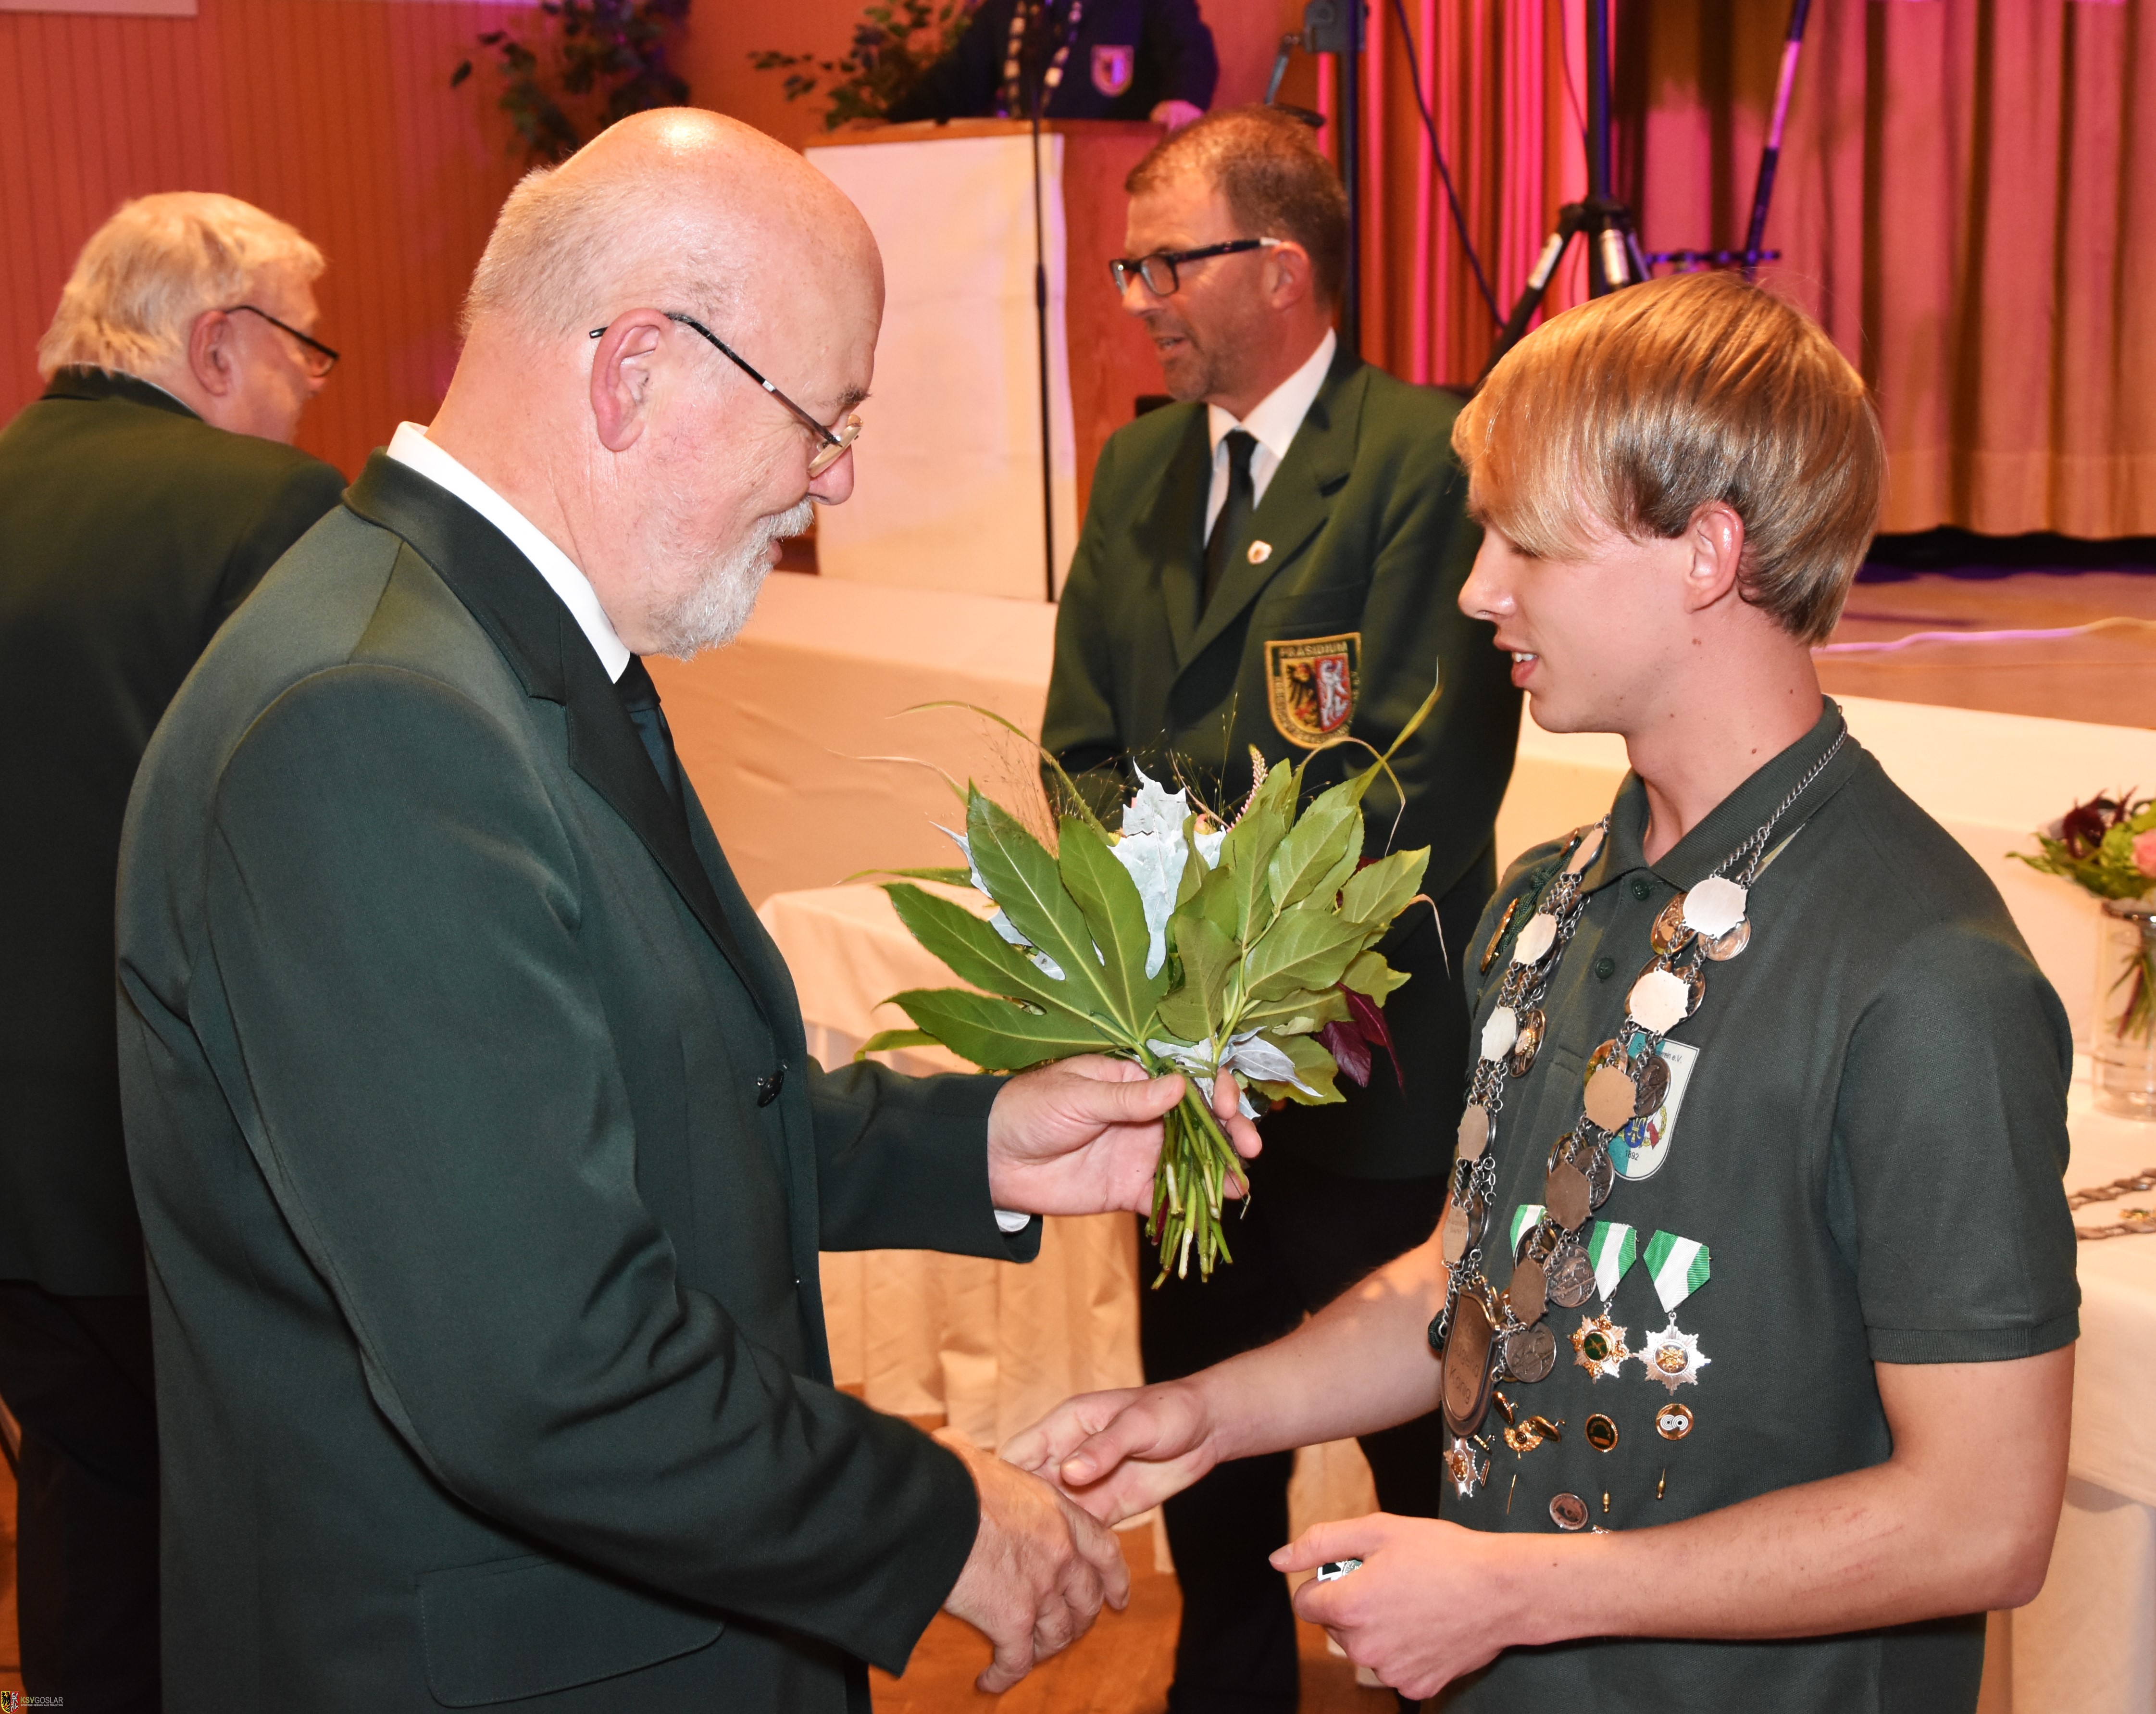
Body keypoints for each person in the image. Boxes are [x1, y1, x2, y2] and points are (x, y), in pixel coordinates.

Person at [113, 110, 1256, 1714]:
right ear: (634, 370)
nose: (836, 475)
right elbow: (542, 1365)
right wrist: (936, 1520)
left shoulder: (486, 649)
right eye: (821, 417)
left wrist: (977, 1140)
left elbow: (635, 1100)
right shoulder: (372, 717)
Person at [1009, 271, 2080, 1712]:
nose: (1477, 589)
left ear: (1704, 552)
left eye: (1527, 539)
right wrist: (1207, 1412)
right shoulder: (1542, 899)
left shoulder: (1923, 973)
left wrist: (1518, 1590)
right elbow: (1467, 1278)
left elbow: (1981, 1520)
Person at [1038, 105, 1521, 1713]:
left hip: (1366, 1070)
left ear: (1283, 268)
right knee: (1205, 1433)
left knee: (1417, 1452)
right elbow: (1080, 747)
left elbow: (1419, 781)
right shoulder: (1135, 466)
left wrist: (1222, 951)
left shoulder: (1424, 458)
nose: (1139, 298)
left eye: (1166, 263)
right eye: (1131, 267)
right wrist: (1162, 978)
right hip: (1187, 1078)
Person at [0, 190, 343, 1714]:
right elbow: (318, 845)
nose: (307, 391)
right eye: (304, 353)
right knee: (266, 1563)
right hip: (174, 1163)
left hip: (18, 1195)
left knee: (85, 1511)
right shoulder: (267, 508)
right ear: (218, 345)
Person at [886, 0, 1216, 129]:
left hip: (1113, 171)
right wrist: (887, 124)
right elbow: (957, 81)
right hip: (1021, 181)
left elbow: (1191, 51)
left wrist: (1182, 99)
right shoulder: (1008, 9)